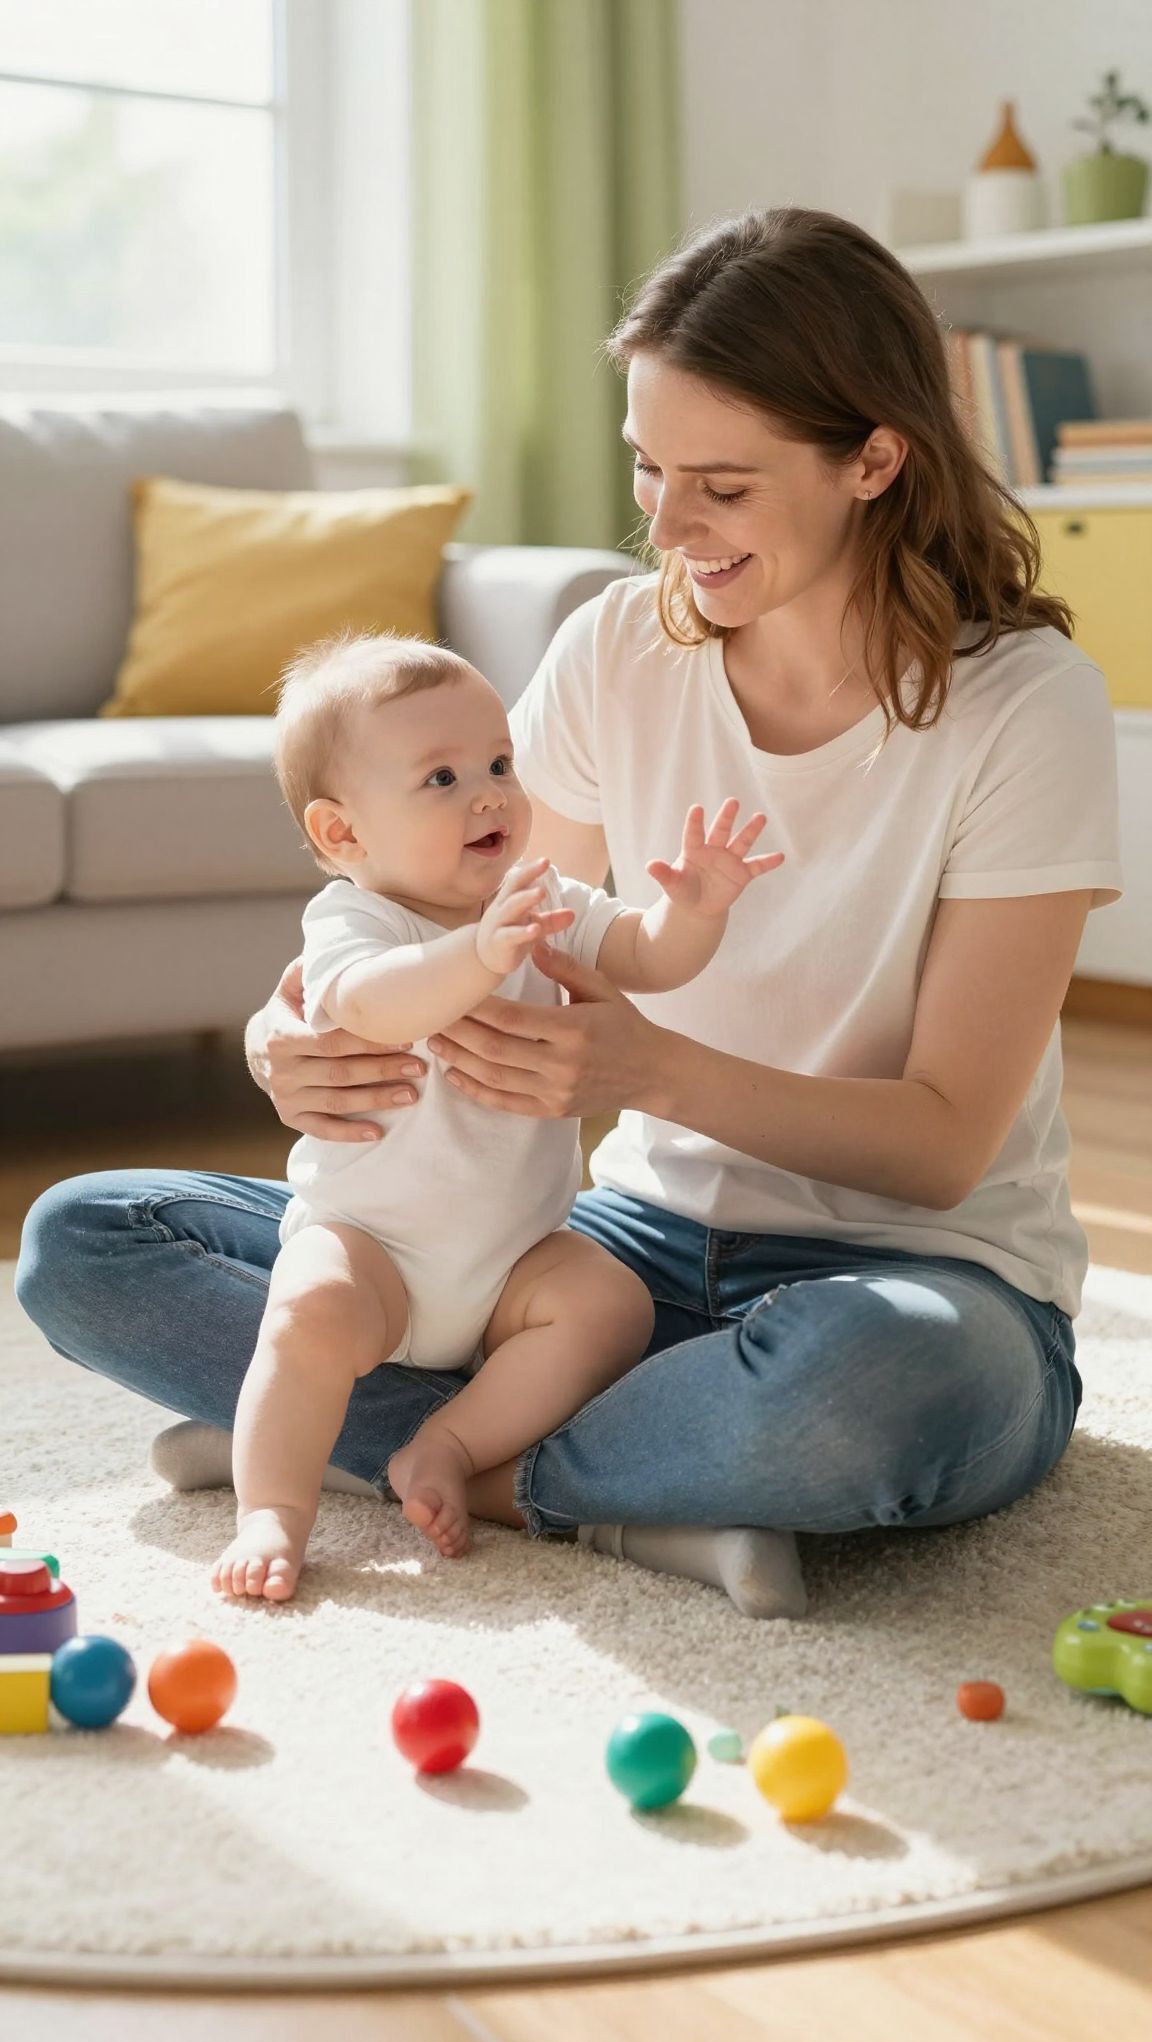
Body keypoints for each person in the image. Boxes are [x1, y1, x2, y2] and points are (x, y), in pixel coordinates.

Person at [16, 206, 1122, 1623]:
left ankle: (413, 1456)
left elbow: (947, 1142)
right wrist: (283, 1039)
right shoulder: (617, 646)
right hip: (624, 1250)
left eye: (720, 483)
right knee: (91, 1241)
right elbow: (468, 919)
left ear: (875, 460)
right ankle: (606, 1469)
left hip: (919, 1276)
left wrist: (650, 1069)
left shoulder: (1023, 706)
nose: (665, 526)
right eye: (649, 471)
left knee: (878, 1396)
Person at [211, 628, 781, 1600]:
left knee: (610, 1305)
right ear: (344, 834)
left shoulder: (538, 894)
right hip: (371, 1252)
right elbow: (370, 1001)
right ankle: (273, 1504)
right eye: (440, 777)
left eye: (500, 763)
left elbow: (642, 956)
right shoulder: (358, 918)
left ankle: (446, 1443)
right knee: (303, 1308)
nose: (489, 793)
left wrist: (696, 911)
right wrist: (479, 950)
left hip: (516, 1256)